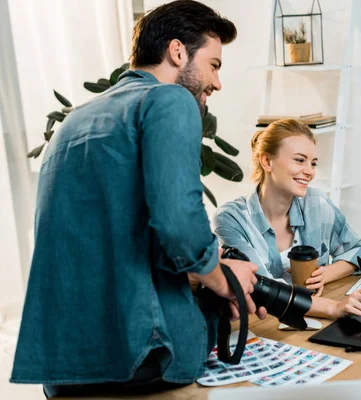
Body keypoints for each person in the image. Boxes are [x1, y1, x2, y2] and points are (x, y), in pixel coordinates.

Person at [10, 1, 266, 398]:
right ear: (178, 51)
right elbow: (179, 226)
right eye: (214, 65)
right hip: (144, 357)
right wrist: (221, 280)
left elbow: (114, 241)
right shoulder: (170, 100)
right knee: (232, 305)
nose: (217, 83)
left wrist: (205, 274)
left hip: (62, 369)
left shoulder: (76, 121)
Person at [213, 119, 361, 320]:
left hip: (313, 320)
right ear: (267, 161)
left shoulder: (317, 204)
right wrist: (334, 308)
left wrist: (325, 274)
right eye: (300, 160)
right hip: (266, 324)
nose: (310, 171)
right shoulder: (232, 219)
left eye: (313, 163)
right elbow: (262, 288)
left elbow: (358, 252)